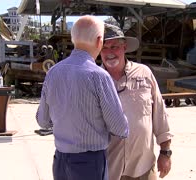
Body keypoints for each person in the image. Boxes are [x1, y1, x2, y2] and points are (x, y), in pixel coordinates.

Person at [36, 16, 129, 180]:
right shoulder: (99, 76)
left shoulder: (53, 73)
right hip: (90, 162)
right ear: (99, 41)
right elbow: (119, 127)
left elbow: (43, 121)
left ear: (73, 39)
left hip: (61, 161)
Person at [100, 24, 173, 180]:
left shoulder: (144, 72)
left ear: (124, 47)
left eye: (114, 46)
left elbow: (160, 114)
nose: (109, 53)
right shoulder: (94, 79)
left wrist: (165, 152)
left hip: (144, 168)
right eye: (104, 48)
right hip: (109, 170)